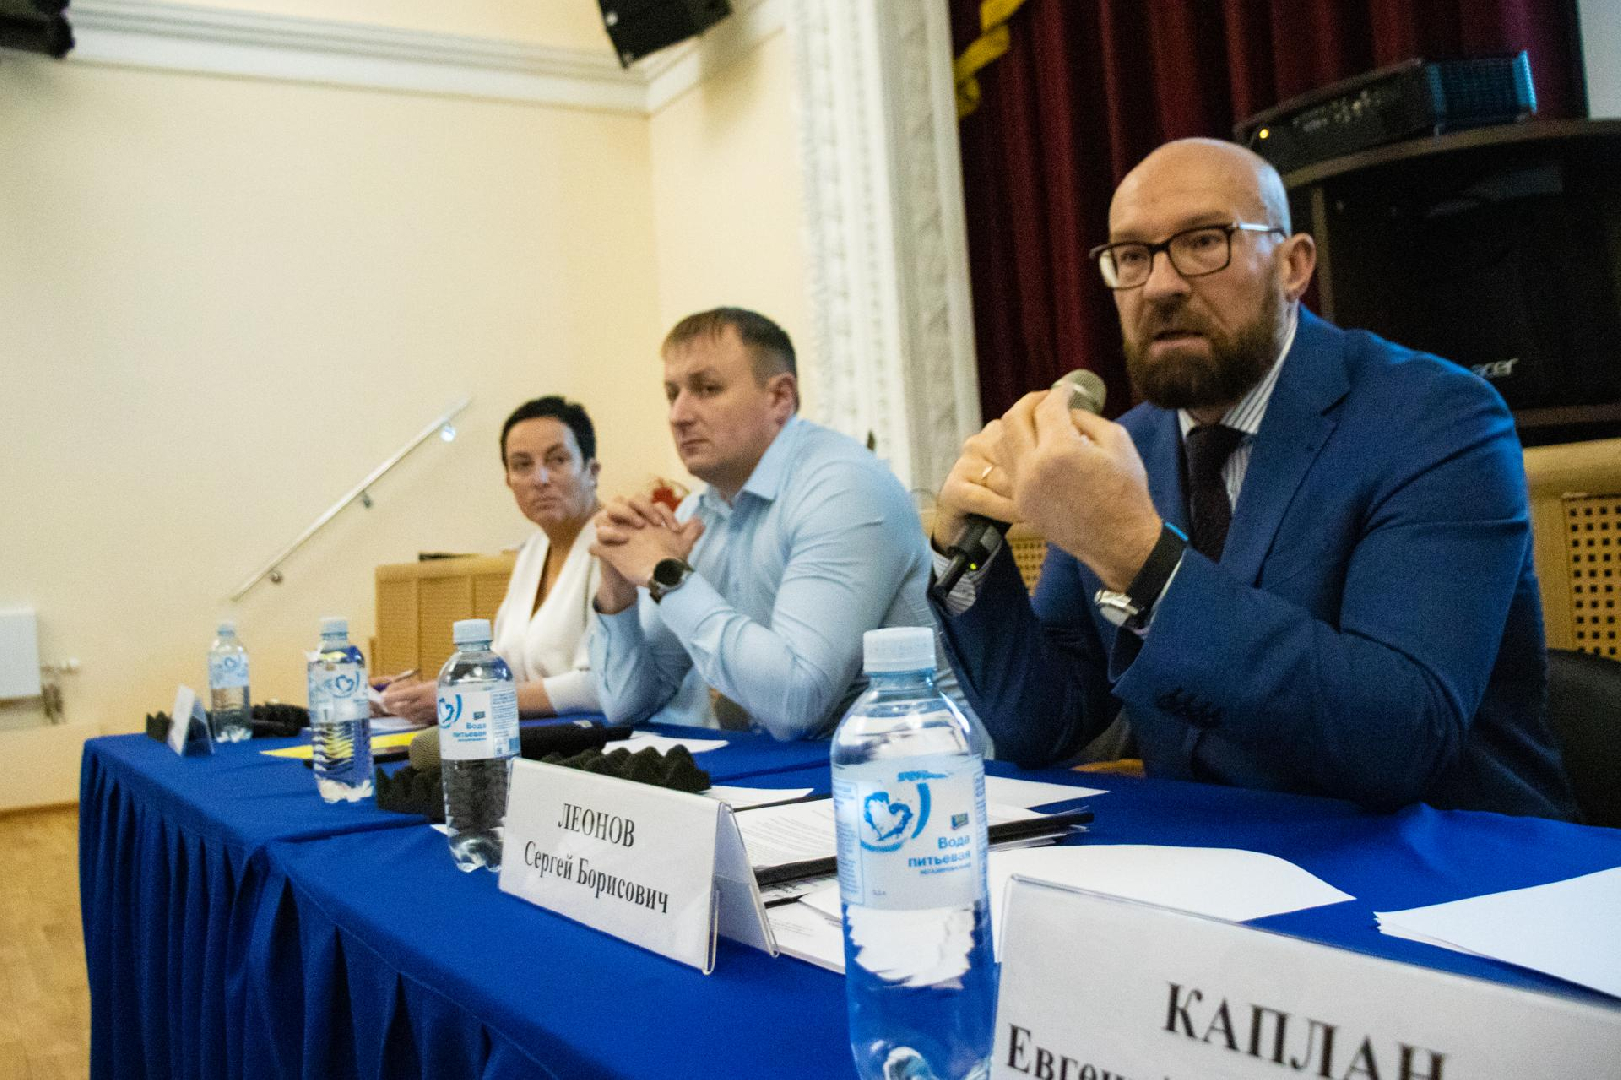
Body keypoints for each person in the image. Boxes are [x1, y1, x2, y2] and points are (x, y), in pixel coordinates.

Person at [929, 137, 1574, 819]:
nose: (1160, 285)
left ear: (1293, 266)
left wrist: (1141, 561)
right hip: (1217, 856)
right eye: (1132, 256)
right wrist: (966, 559)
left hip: (1456, 859)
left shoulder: (1437, 419)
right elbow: (1045, 725)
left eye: (1203, 243)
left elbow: (1402, 738)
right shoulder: (1127, 446)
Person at [588, 307, 983, 746]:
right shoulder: (699, 513)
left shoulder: (842, 487)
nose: (679, 415)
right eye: (672, 393)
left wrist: (668, 576)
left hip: (921, 759)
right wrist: (616, 594)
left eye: (707, 389)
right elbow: (626, 705)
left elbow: (797, 704)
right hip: (808, 762)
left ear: (779, 397)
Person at [382, 396, 603, 722]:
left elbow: (602, 686)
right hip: (538, 734)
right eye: (522, 465)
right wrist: (413, 695)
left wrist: (472, 699)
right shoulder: (532, 552)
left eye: (557, 460)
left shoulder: (616, 542)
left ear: (591, 471)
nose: (540, 479)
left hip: (616, 737)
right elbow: (501, 668)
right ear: (508, 481)